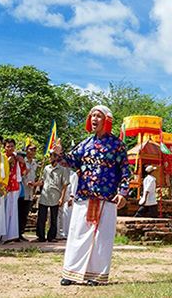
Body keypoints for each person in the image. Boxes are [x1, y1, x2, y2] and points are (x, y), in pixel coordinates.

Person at [54, 105, 132, 286]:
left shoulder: (117, 145)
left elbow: (125, 172)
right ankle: (71, 272)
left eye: (99, 116)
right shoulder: (85, 143)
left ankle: (96, 275)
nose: (95, 119)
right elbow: (71, 161)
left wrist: (123, 192)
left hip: (107, 197)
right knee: (77, 233)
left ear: (107, 121)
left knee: (101, 238)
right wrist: (60, 153)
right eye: (93, 116)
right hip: (84, 196)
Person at [35, 156, 68, 243]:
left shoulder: (62, 170)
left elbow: (65, 185)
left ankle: (51, 236)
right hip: (45, 195)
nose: (50, 158)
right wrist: (34, 184)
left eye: (52, 157)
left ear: (56, 158)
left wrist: (62, 198)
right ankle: (40, 236)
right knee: (41, 217)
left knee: (54, 218)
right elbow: (42, 181)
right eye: (50, 157)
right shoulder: (46, 168)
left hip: (55, 196)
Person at [2, 138, 25, 243]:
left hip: (15, 186)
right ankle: (2, 235)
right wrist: (7, 162)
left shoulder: (17, 158)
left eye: (12, 146)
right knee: (3, 211)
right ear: (4, 147)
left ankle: (11, 235)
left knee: (12, 211)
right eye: (8, 146)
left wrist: (22, 162)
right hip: (3, 187)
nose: (10, 148)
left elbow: (24, 172)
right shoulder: (1, 157)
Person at [18, 145, 39, 242]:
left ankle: (21, 233)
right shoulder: (22, 161)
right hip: (22, 190)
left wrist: (35, 185)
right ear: (26, 150)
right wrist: (27, 182)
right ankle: (16, 233)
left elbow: (34, 176)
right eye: (31, 149)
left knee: (25, 213)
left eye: (34, 150)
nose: (33, 151)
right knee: (19, 212)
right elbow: (20, 175)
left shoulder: (35, 163)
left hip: (30, 191)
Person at [59, 168, 78, 239]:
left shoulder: (73, 175)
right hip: (60, 197)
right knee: (61, 215)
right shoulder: (61, 172)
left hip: (68, 198)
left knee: (67, 215)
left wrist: (71, 197)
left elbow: (74, 186)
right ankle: (61, 232)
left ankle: (67, 233)